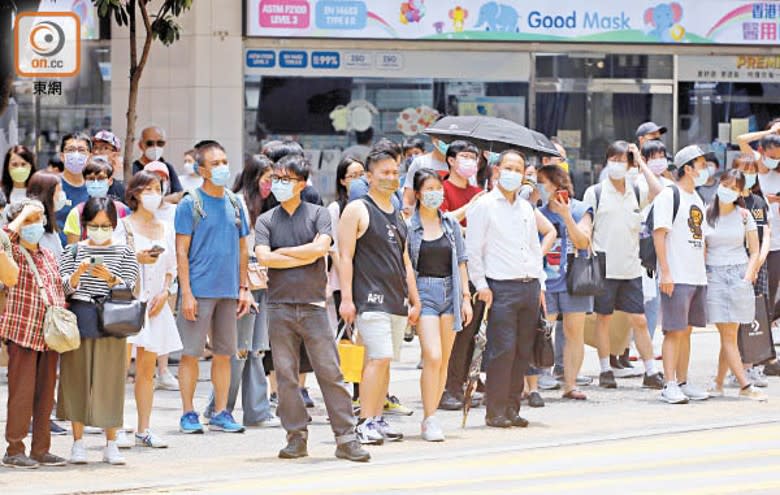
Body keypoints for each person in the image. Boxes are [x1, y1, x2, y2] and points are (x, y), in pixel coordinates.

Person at [255, 154, 369, 462]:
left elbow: (321, 249)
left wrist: (284, 253)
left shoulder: (319, 214)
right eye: (276, 178)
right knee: (286, 375)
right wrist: (301, 254)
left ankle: (346, 438)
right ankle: (295, 437)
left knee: (330, 372)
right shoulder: (266, 220)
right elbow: (264, 258)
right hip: (278, 307)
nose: (278, 184)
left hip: (314, 305)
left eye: (286, 179)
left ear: (302, 183)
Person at [466, 149, 556, 428]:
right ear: (496, 170)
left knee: (522, 350)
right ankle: (495, 410)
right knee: (501, 350)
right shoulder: (484, 205)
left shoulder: (526, 207)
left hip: (529, 285)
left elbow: (532, 247)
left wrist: (540, 283)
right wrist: (481, 285)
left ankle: (513, 407)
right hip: (500, 287)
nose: (513, 174)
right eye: (509, 167)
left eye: (519, 169)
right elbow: (473, 250)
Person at [338, 149, 421, 444]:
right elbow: (344, 256)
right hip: (369, 298)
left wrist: (415, 298)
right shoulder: (357, 209)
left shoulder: (398, 214)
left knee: (385, 361)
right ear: (369, 177)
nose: (391, 177)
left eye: (395, 172)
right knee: (378, 357)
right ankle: (364, 421)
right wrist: (346, 299)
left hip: (396, 298)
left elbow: (405, 260)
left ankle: (378, 417)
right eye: (384, 172)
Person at [174, 140, 253, 434]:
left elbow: (244, 248)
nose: (222, 168)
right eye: (215, 164)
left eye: (224, 162)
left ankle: (221, 411)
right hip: (199, 290)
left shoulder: (235, 202)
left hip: (229, 290)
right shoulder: (189, 203)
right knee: (191, 353)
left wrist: (244, 287)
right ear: (201, 169)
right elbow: (181, 250)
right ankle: (188, 412)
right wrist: (187, 293)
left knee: (225, 354)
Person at [58, 197, 140, 465]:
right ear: (85, 225)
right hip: (80, 315)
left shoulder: (125, 251)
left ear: (114, 225)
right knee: (76, 379)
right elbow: (62, 287)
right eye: (94, 225)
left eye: (105, 225)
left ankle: (111, 442)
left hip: (113, 319)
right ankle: (78, 442)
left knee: (111, 381)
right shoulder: (72, 251)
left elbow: (131, 287)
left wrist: (111, 279)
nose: (100, 230)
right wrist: (77, 275)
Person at [203, 154, 279, 428]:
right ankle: (220, 408)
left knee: (257, 349)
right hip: (241, 285)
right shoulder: (236, 203)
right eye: (267, 179)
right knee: (239, 349)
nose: (271, 185)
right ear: (254, 177)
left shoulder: (270, 206)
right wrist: (242, 285)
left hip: (264, 284)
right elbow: (236, 249)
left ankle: (255, 410)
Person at [582, 141, 664, 390]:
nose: (617, 165)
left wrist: (640, 160)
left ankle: (650, 371)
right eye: (613, 160)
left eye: (622, 161)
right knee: (603, 319)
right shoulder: (595, 192)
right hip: (604, 267)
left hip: (631, 268)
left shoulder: (637, 191)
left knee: (639, 320)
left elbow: (658, 191)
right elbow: (587, 225)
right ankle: (606, 368)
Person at [1, 199, 66, 469]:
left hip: (49, 335)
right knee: (22, 393)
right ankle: (15, 449)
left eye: (37, 219)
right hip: (22, 332)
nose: (34, 225)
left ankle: (41, 449)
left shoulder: (48, 254)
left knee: (44, 395)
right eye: (28, 220)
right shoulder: (11, 252)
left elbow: (58, 287)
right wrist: (19, 217)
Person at [407, 168, 472, 441]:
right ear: (419, 193)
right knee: (432, 356)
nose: (434, 194)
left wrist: (466, 298)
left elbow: (461, 262)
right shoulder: (410, 227)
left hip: (451, 291)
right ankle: (429, 417)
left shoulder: (451, 225)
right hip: (425, 292)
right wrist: (413, 300)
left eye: (438, 189)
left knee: (444, 359)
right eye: (429, 189)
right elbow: (407, 265)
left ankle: (431, 417)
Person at [122, 171, 183, 448]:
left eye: (157, 188)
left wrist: (165, 292)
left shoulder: (166, 227)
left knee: (147, 372)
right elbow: (113, 264)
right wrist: (137, 258)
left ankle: (143, 428)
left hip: (156, 306)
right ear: (134, 193)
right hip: (127, 306)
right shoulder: (123, 226)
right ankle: (115, 426)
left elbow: (172, 268)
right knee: (120, 370)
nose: (153, 194)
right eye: (147, 189)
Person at [653, 145, 711, 404]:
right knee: (673, 331)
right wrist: (665, 272)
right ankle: (669, 383)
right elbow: (659, 234)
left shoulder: (697, 198)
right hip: (676, 275)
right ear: (688, 168)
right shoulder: (669, 194)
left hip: (696, 275)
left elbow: (702, 237)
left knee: (687, 331)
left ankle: (684, 381)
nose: (705, 169)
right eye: (701, 164)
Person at [702, 170, 767, 401]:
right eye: (725, 184)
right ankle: (745, 385)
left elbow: (755, 249)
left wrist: (748, 276)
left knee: (729, 334)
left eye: (734, 187)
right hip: (714, 275)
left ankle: (718, 383)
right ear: (719, 185)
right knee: (728, 334)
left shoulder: (744, 215)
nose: (728, 189)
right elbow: (702, 250)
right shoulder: (706, 213)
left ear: (741, 192)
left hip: (739, 274)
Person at [537, 164, 594, 400]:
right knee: (542, 329)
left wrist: (566, 216)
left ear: (557, 184)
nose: (540, 187)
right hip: (546, 279)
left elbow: (583, 242)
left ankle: (570, 384)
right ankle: (539, 376)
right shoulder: (536, 212)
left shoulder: (581, 209)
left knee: (574, 332)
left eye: (543, 182)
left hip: (574, 278)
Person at [732, 153, 779, 379]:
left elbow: (767, 233)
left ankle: (755, 366)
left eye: (752, 171)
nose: (748, 175)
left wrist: (759, 260)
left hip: (759, 266)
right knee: (734, 319)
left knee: (758, 315)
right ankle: (736, 368)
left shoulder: (760, 202)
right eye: (744, 170)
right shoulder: (728, 202)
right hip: (734, 267)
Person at [327, 157, 365, 404]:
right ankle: (349, 391)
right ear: (342, 180)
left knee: (365, 338)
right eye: (352, 175)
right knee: (346, 337)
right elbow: (335, 248)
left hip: (368, 280)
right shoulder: (335, 208)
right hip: (343, 282)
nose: (358, 179)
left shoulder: (370, 206)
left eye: (362, 174)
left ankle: (366, 391)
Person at [738, 123, 780, 321]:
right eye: (772, 156)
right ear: (762, 151)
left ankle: (767, 329)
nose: (775, 160)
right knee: (753, 288)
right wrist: (771, 132)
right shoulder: (752, 165)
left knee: (770, 288)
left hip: (775, 238)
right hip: (751, 239)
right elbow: (741, 139)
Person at [63, 156, 131, 245]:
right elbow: (72, 253)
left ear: (110, 181)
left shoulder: (123, 210)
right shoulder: (77, 213)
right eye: (91, 179)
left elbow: (130, 243)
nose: (96, 183)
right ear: (85, 181)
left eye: (101, 178)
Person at [56, 133, 93, 245]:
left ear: (90, 156)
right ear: (62, 156)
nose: (76, 154)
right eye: (70, 150)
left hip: (86, 255)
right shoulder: (52, 184)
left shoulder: (95, 187)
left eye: (81, 150)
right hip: (55, 254)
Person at [132, 126, 184, 203]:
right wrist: (166, 200)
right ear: (140, 145)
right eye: (150, 143)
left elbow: (179, 195)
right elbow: (135, 200)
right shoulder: (133, 169)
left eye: (160, 143)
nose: (155, 147)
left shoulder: (168, 167)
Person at [439, 140, 484, 226]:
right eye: (465, 156)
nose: (470, 161)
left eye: (473, 158)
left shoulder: (479, 193)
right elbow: (443, 221)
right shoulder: (440, 189)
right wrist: (470, 206)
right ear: (451, 161)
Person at [403, 137, 450, 212]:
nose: (448, 143)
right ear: (434, 139)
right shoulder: (420, 163)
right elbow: (408, 199)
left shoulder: (462, 165)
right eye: (445, 139)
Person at [26, 171, 66, 258]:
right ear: (47, 195)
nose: (62, 195)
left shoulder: (49, 224)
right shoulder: (34, 228)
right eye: (59, 191)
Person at [92, 130, 126, 201]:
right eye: (95, 147)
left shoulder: (121, 190)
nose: (96, 152)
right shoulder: (84, 185)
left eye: (104, 148)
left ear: (115, 154)